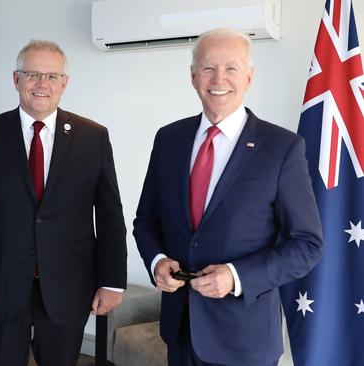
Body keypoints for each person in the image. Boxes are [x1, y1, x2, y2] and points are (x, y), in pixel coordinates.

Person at [133, 28, 323, 366]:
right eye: (208, 68)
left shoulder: (282, 148)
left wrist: (236, 276)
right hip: (180, 331)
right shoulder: (169, 139)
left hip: (244, 340)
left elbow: (307, 245)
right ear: (193, 77)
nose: (218, 78)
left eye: (231, 68)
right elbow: (146, 220)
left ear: (249, 76)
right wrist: (157, 261)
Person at [0, 40, 127, 366]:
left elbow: (111, 216)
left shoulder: (93, 137)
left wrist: (112, 281)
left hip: (68, 285)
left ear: (64, 83)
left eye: (51, 76)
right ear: (16, 80)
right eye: (32, 74)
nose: (42, 84)